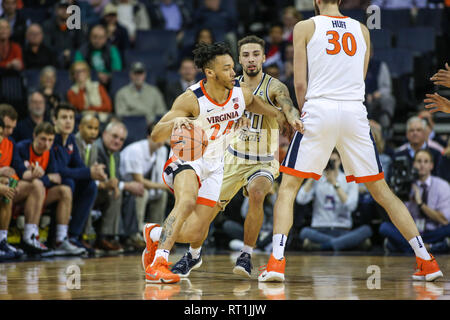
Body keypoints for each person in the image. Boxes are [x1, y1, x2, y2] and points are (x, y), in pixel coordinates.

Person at [258, 0, 443, 283]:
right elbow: (361, 76)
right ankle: (427, 261)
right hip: (354, 111)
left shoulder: (304, 26)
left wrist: (301, 113)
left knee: (289, 187)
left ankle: (276, 263)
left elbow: (298, 82)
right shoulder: (361, 29)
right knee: (382, 191)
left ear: (317, 1)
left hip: (319, 108)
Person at [142, 42, 287, 284]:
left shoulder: (240, 93)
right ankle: (158, 262)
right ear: (210, 73)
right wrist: (174, 125)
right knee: (186, 201)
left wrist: (279, 115)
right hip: (187, 158)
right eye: (228, 69)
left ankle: (153, 233)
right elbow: (156, 134)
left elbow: (254, 103)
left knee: (196, 232)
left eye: (234, 67)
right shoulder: (192, 99)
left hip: (216, 163)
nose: (234, 73)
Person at [17, 122, 86, 256]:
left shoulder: (49, 153)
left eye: (50, 140)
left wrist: (44, 179)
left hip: (38, 194)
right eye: (43, 139)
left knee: (64, 190)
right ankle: (30, 237)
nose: (47, 144)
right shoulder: (22, 148)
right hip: (18, 191)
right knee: (37, 185)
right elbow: (19, 176)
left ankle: (61, 240)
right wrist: (45, 178)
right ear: (34, 136)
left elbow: (57, 179)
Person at [51, 103, 107, 253]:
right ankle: (60, 239)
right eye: (63, 117)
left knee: (90, 185)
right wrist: (89, 172)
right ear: (54, 119)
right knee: (69, 182)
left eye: (71, 118)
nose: (68, 121)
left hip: (64, 185)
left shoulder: (70, 140)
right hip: (48, 185)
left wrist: (93, 172)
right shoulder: (50, 138)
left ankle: (74, 237)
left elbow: (79, 166)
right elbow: (58, 170)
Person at [297, 149, 372, 252]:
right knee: (304, 232)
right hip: (319, 229)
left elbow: (351, 206)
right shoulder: (317, 179)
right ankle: (348, 244)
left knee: (366, 230)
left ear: (340, 160)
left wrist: (335, 184)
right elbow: (300, 199)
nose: (331, 164)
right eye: (328, 161)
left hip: (342, 229)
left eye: (334, 161)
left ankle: (323, 246)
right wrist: (312, 176)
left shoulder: (350, 180)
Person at [380, 149, 450, 254]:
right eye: (419, 161)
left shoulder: (442, 185)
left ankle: (407, 248)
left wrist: (420, 204)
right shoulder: (405, 184)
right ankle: (430, 248)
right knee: (384, 227)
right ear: (413, 164)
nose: (422, 165)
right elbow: (396, 217)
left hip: (432, 231)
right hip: (411, 233)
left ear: (431, 165)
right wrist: (394, 196)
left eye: (426, 161)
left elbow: (444, 220)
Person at [0, 104, 47, 256]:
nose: (9, 132)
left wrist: (32, 173)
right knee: (6, 185)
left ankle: (29, 237)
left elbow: (18, 169)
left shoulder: (11, 142)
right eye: (6, 127)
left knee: (35, 185)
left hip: (6, 183)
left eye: (12, 127)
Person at [93, 120, 145, 252]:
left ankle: (127, 237)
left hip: (106, 187)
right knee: (117, 192)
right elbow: (103, 180)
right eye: (114, 136)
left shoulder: (115, 154)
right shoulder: (97, 149)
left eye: (121, 139)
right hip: (94, 190)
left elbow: (116, 178)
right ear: (104, 134)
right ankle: (105, 237)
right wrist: (125, 185)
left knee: (129, 193)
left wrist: (123, 186)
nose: (117, 141)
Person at [119, 122, 168, 245]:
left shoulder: (162, 151)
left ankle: (156, 235)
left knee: (162, 195)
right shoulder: (136, 150)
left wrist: (163, 187)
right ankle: (134, 235)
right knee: (142, 192)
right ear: (148, 136)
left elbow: (159, 179)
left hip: (143, 186)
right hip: (124, 186)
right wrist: (165, 186)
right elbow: (139, 180)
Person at [74, 24, 123, 88]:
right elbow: (79, 70)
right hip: (89, 82)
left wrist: (108, 76)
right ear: (90, 37)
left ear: (105, 38)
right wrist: (96, 75)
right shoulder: (81, 51)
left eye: (101, 38)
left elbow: (117, 70)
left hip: (109, 83)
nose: (97, 40)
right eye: (95, 37)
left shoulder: (112, 50)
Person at [42, 0, 84, 69]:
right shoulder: (48, 25)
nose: (65, 11)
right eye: (62, 8)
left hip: (72, 59)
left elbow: (82, 44)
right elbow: (47, 45)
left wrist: (71, 52)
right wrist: (61, 53)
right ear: (56, 11)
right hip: (54, 60)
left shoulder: (76, 26)